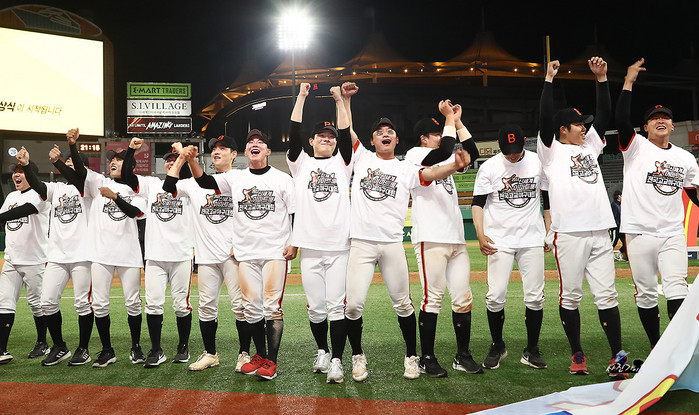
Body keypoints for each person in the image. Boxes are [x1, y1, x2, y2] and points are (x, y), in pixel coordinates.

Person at [341, 86, 472, 382]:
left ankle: (412, 357)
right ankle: (358, 356)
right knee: (353, 305)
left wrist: (454, 165)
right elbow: (346, 130)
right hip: (361, 242)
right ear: (372, 140)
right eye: (379, 132)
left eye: (390, 131)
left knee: (403, 304)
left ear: (397, 140)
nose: (385, 134)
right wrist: (345, 101)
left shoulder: (405, 168)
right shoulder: (361, 157)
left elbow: (431, 174)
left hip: (391, 244)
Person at [538, 57, 626, 377]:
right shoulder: (551, 151)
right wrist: (548, 80)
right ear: (563, 129)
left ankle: (617, 357)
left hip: (600, 230)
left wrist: (602, 79)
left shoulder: (590, 146)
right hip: (570, 233)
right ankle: (577, 354)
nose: (584, 127)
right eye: (578, 124)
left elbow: (604, 115)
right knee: (571, 297)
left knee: (608, 295)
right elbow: (544, 117)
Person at [186, 129, 296, 380]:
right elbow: (205, 182)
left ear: (268, 151)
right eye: (251, 142)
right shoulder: (235, 178)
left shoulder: (282, 179)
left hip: (274, 251)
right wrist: (191, 160)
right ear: (245, 152)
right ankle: (260, 356)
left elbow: (295, 212)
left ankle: (272, 362)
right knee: (251, 308)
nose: (255, 144)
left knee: (271, 306)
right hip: (246, 253)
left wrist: (294, 243)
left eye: (261, 142)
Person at [615, 58, 699, 348]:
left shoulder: (685, 158)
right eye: (654, 118)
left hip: (672, 232)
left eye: (665, 117)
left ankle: (676, 348)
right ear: (645, 127)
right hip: (639, 232)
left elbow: (694, 193)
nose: (660, 120)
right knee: (647, 293)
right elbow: (621, 120)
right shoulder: (635, 147)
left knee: (677, 287)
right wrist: (628, 82)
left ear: (672, 125)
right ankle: (656, 345)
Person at [405, 102, 482, 378]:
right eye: (435, 134)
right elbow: (444, 151)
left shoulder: (443, 159)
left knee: (463, 299)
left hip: (456, 238)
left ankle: (463, 355)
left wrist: (458, 122)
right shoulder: (415, 155)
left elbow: (472, 153)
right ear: (424, 138)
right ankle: (427, 358)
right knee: (433, 299)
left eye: (441, 133)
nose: (441, 137)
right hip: (431, 237)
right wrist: (448, 117)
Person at [163, 135, 250, 372]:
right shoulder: (192, 183)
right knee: (206, 307)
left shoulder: (239, 178)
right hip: (206, 256)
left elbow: (246, 211)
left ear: (234, 154)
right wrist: (182, 158)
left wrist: (241, 243)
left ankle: (244, 354)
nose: (217, 151)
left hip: (233, 254)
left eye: (223, 148)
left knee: (240, 306)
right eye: (214, 149)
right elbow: (168, 187)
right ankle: (211, 354)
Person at [286, 83, 352, 383]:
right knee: (315, 309)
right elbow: (294, 131)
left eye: (331, 136)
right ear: (311, 141)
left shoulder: (343, 163)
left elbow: (346, 133)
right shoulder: (301, 164)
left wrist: (339, 101)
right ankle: (323, 351)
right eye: (321, 136)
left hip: (339, 247)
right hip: (309, 247)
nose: (327, 139)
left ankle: (337, 360)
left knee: (337, 306)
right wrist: (301, 97)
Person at [63, 135, 147, 368]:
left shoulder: (138, 189)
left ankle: (136, 347)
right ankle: (107, 350)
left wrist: (115, 197)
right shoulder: (98, 181)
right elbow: (80, 170)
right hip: (100, 254)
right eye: (112, 160)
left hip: (128, 254)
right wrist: (72, 145)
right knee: (100, 304)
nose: (113, 163)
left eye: (119, 160)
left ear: (129, 165)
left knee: (133, 303)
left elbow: (135, 213)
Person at [472, 124, 548, 371]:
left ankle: (532, 349)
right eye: (507, 150)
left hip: (532, 238)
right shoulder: (489, 167)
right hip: (499, 240)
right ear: (499, 145)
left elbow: (547, 198)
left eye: (516, 149)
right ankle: (497, 345)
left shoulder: (537, 162)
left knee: (535, 297)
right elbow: (477, 203)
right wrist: (480, 234)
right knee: (495, 296)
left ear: (525, 141)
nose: (512, 155)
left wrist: (549, 230)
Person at [19, 138, 95, 366]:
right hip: (56, 256)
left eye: (73, 162)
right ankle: (60, 346)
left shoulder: (88, 187)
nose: (68, 165)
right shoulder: (57, 188)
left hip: (82, 255)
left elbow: (79, 175)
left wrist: (63, 158)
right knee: (47, 302)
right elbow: (39, 186)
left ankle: (83, 349)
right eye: (66, 162)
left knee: (82, 304)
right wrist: (26, 165)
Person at [121, 139, 195, 367]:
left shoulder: (190, 185)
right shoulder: (152, 184)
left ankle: (183, 346)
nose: (171, 163)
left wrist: (184, 155)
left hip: (181, 255)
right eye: (168, 161)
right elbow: (127, 175)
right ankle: (156, 349)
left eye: (175, 160)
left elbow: (194, 175)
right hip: (155, 256)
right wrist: (131, 151)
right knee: (153, 304)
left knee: (181, 305)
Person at [0, 159, 50, 364]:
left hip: (34, 259)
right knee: (4, 303)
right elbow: (4, 217)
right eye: (15, 172)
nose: (16, 175)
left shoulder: (41, 194)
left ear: (31, 174)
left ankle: (43, 343)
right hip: (11, 259)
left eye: (21, 171)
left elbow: (26, 210)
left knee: (37, 304)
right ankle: (1, 349)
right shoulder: (11, 196)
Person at [610, 190, 627, 261]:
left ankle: (618, 254)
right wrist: (614, 225)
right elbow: (614, 216)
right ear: (618, 196)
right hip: (616, 227)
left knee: (625, 243)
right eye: (621, 195)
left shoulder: (619, 205)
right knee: (614, 242)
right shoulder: (614, 205)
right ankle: (607, 255)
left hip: (621, 227)